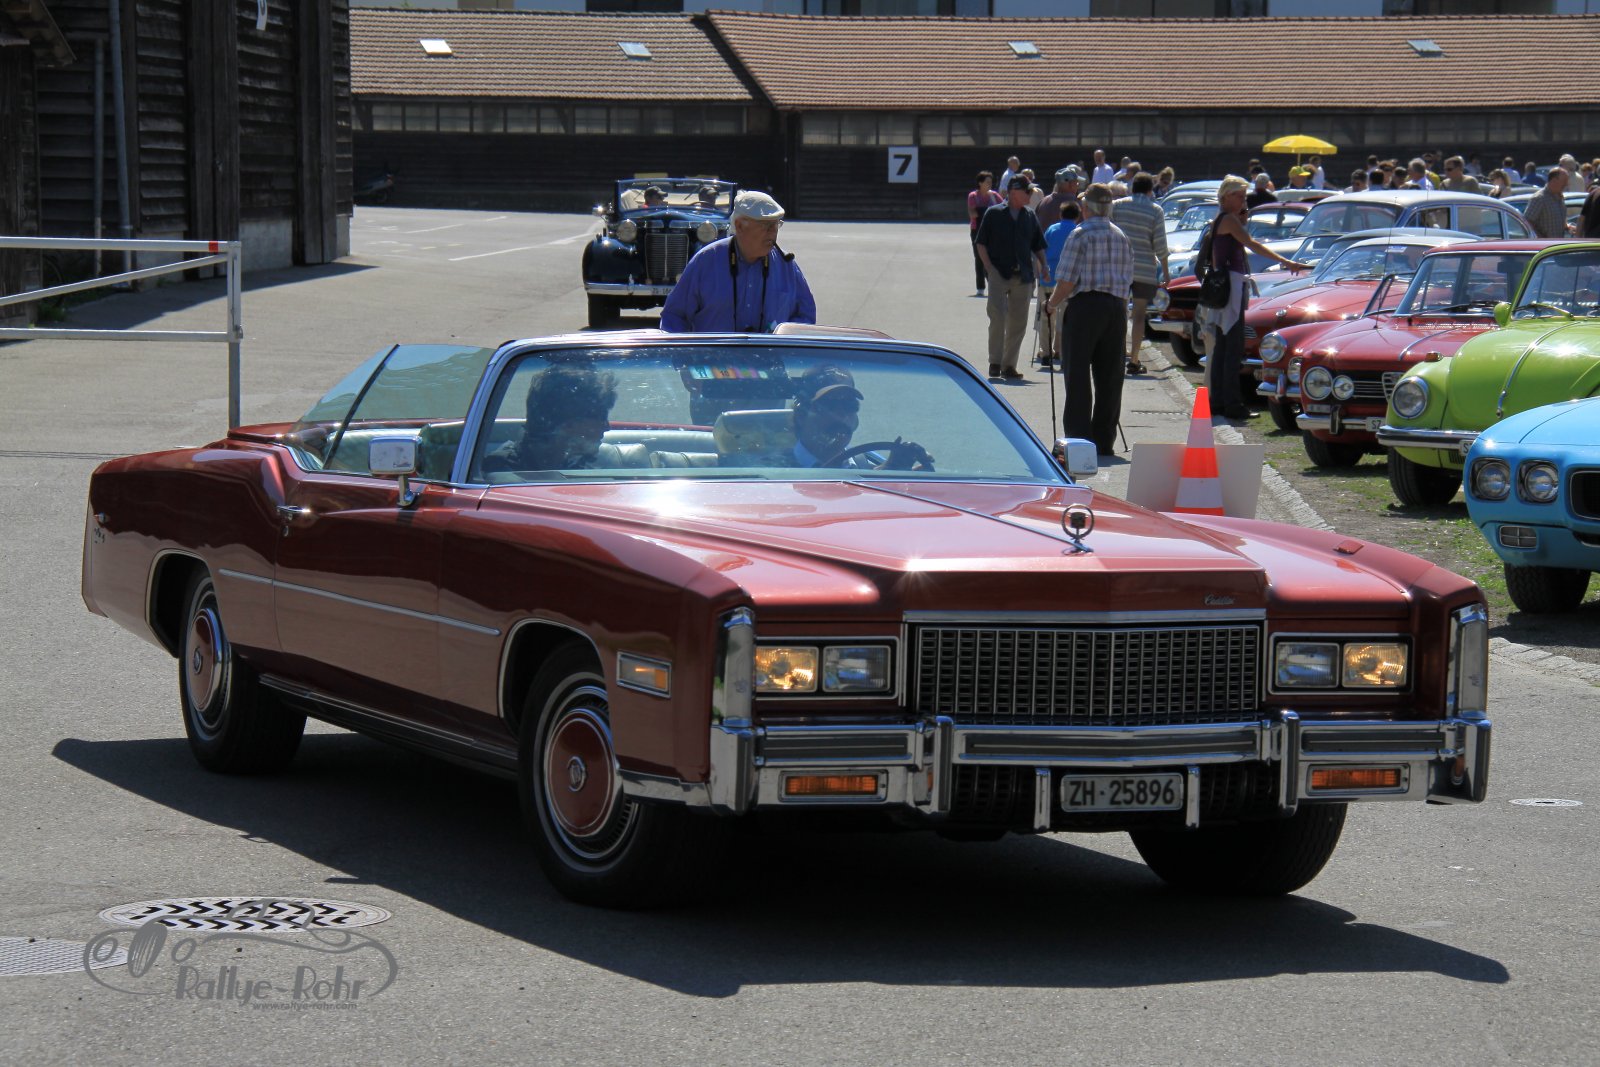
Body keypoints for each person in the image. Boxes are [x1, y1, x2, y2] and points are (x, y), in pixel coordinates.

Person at [1198, 176, 1313, 422]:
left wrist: (1243, 219)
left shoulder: (1222, 219)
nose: (1243, 201)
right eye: (1239, 196)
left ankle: (1219, 401)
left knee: (1223, 348)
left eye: (1244, 197)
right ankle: (1232, 404)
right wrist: (1286, 262)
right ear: (1227, 196)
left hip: (1225, 286)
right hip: (1231, 286)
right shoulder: (1228, 220)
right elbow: (1251, 244)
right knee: (1232, 347)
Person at [1045, 183, 1133, 458]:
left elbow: (1067, 279)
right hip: (1115, 308)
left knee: (1078, 375)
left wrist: (1052, 304)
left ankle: (1079, 440)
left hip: (1085, 307)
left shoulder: (1080, 234)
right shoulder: (1120, 235)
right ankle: (1104, 440)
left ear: (1086, 208)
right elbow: (1128, 278)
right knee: (1110, 377)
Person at [660, 191, 816, 333]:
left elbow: (805, 316)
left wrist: (784, 339)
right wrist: (688, 351)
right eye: (766, 225)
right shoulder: (706, 261)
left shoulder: (786, 266)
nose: (773, 232)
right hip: (715, 355)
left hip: (769, 355)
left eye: (776, 225)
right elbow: (674, 316)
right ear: (739, 226)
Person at [974, 175, 1049, 380]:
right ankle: (995, 362)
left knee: (1018, 322)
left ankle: (1009, 365)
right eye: (1028, 191)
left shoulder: (1029, 215)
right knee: (997, 317)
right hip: (999, 273)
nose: (1031, 194)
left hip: (1023, 275)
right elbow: (981, 243)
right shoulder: (994, 213)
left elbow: (1038, 244)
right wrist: (989, 268)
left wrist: (1044, 265)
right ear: (1014, 192)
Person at [788, 366, 932, 470]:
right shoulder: (778, 471)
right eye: (830, 405)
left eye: (850, 406)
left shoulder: (865, 466)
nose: (842, 414)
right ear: (801, 415)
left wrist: (896, 476)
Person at [483, 362, 617, 473]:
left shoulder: (590, 468)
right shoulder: (499, 472)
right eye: (601, 417)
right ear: (567, 424)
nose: (607, 427)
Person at [1110, 173, 1169, 376]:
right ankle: (1134, 359)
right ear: (1150, 190)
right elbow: (1160, 244)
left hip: (1119, 267)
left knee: (1119, 314)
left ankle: (1117, 354)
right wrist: (1166, 272)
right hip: (1144, 269)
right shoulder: (1155, 210)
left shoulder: (1117, 206)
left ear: (1131, 187)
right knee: (1139, 316)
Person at [1037, 201, 1081, 369]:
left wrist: (1040, 272)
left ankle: (1046, 352)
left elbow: (1041, 251)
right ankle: (1061, 351)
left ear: (1060, 214)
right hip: (1068, 281)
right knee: (1065, 317)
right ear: (1077, 216)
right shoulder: (1078, 231)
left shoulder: (1052, 229)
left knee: (1046, 315)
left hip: (1049, 277)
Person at [967, 171, 1003, 296]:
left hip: (992, 231)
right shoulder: (973, 196)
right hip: (976, 230)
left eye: (991, 182)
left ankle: (993, 284)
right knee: (979, 258)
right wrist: (990, 212)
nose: (990, 184)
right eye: (987, 182)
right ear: (980, 183)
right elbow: (972, 214)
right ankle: (980, 287)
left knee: (992, 257)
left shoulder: (994, 196)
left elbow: (1003, 208)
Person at [1524, 166, 1571, 238]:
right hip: (1545, 244)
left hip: (1559, 243)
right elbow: (1527, 222)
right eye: (1564, 181)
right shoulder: (1539, 198)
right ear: (1554, 181)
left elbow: (1557, 220)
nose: (1566, 184)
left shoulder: (1560, 197)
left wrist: (1568, 227)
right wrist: (1540, 238)